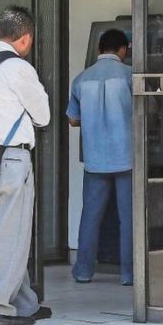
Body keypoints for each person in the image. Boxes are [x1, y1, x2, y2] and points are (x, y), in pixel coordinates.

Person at [0, 6, 52, 325]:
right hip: (12, 158)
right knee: (13, 234)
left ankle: (22, 303)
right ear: (25, 39)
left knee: (3, 234)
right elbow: (43, 116)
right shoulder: (18, 68)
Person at [67, 29, 134, 287]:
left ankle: (83, 270)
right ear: (123, 50)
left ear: (98, 50)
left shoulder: (81, 79)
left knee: (90, 216)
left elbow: (72, 119)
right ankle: (129, 274)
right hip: (126, 157)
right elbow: (146, 111)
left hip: (95, 160)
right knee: (128, 218)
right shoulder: (130, 75)